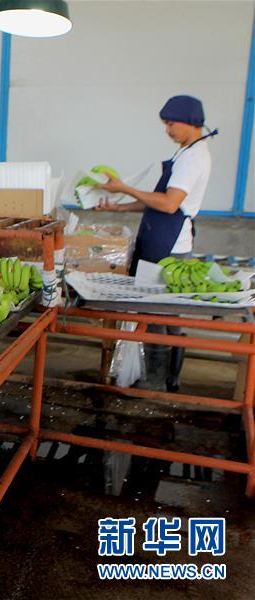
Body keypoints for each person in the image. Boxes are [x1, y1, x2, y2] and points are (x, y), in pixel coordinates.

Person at [96, 94, 217, 391]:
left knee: (158, 314)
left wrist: (124, 187)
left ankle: (158, 383)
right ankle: (162, 379)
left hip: (171, 246)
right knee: (159, 312)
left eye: (170, 123)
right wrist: (118, 207)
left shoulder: (193, 157)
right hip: (161, 237)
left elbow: (168, 204)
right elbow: (157, 201)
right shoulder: (186, 152)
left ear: (190, 122)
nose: (167, 130)